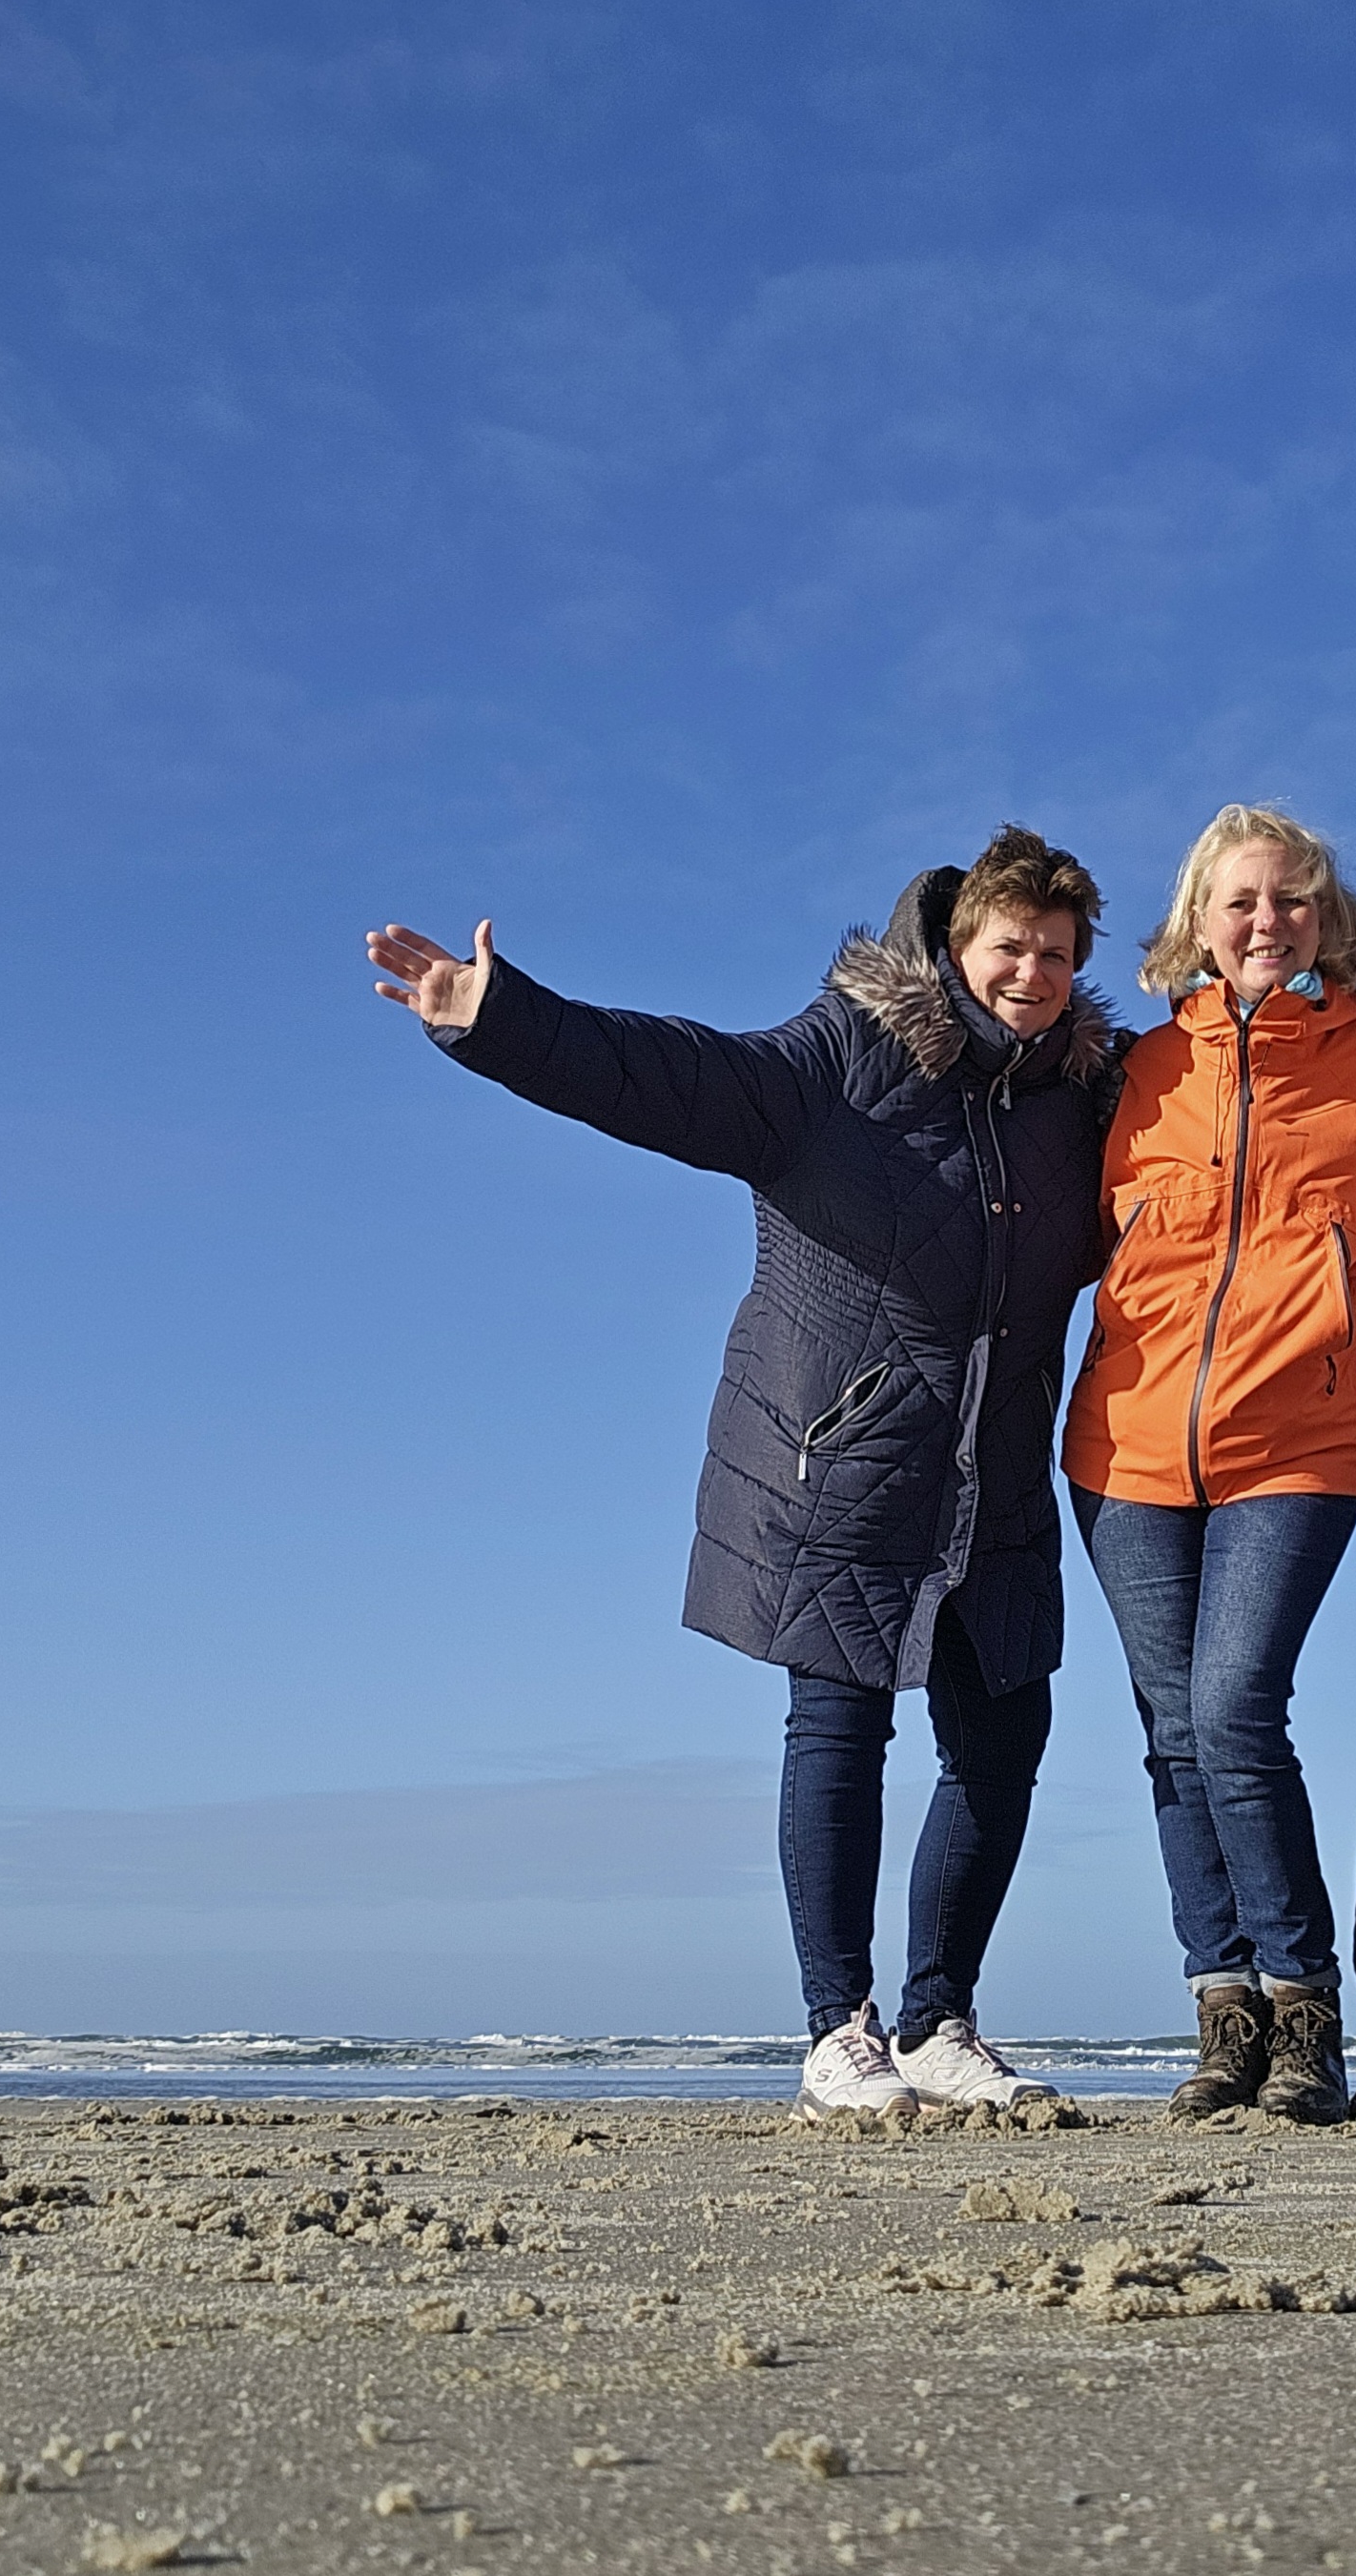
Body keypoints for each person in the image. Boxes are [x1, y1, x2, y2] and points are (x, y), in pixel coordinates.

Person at [363, 829, 1126, 2121]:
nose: (1033, 975)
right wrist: (499, 1020)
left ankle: (941, 2023)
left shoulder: (1080, 1103)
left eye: (1057, 954)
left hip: (995, 1474)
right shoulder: (843, 1057)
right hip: (843, 1454)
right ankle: (838, 2031)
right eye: (1011, 947)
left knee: (1003, 1740)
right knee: (840, 1727)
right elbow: (669, 1076)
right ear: (956, 947)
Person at [1058, 807, 1356, 2123]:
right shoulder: (1136, 1073)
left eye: (1292, 900)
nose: (1267, 922)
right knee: (1172, 1733)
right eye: (1241, 901)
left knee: (1234, 1708)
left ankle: (1303, 2010)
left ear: (1325, 918)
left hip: (1297, 1443)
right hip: (1123, 1446)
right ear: (1198, 920)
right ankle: (1223, 2010)